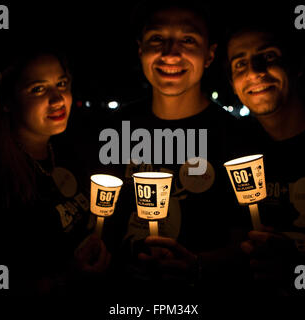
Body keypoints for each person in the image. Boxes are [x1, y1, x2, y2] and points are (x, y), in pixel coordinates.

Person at [90, 0, 250, 298]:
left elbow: (248, 241)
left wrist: (200, 267)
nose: (170, 53)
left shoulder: (235, 136)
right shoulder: (114, 129)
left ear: (210, 55)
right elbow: (102, 222)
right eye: (157, 39)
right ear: (140, 49)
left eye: (188, 39)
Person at [0, 47, 111, 295]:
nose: (58, 99)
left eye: (61, 84)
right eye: (38, 89)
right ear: (6, 101)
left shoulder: (68, 152)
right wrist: (63, 279)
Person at [224, 17, 305, 295]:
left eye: (268, 56)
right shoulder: (238, 152)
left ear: (297, 64)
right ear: (233, 84)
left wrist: (301, 270)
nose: (255, 72)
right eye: (240, 63)